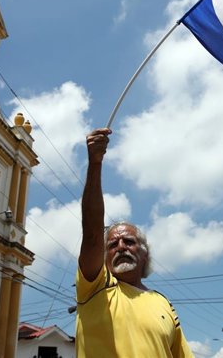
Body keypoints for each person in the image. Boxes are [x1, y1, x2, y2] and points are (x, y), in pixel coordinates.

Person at [74, 127, 194, 358]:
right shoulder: (96, 287)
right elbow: (92, 234)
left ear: (145, 254)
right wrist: (95, 165)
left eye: (128, 242)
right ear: (103, 255)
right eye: (112, 244)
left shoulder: (163, 303)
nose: (120, 247)